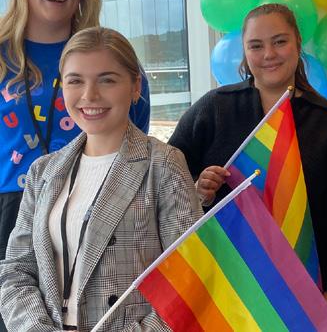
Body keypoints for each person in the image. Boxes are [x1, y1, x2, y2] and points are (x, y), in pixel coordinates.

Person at [0, 27, 202, 331]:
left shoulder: (164, 164)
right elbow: (16, 270)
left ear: (135, 86)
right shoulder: (43, 171)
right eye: (75, 81)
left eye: (107, 80)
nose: (89, 95)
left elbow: (191, 278)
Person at [0, 0, 150, 317]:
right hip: (9, 210)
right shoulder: (1, 55)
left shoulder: (106, 55)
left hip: (93, 204)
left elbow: (135, 139)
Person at [168, 3, 327, 316]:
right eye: (256, 45)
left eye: (279, 41)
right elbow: (166, 181)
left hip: (298, 283)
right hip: (221, 279)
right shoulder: (214, 109)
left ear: (298, 44)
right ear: (244, 51)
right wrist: (198, 191)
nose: (269, 54)